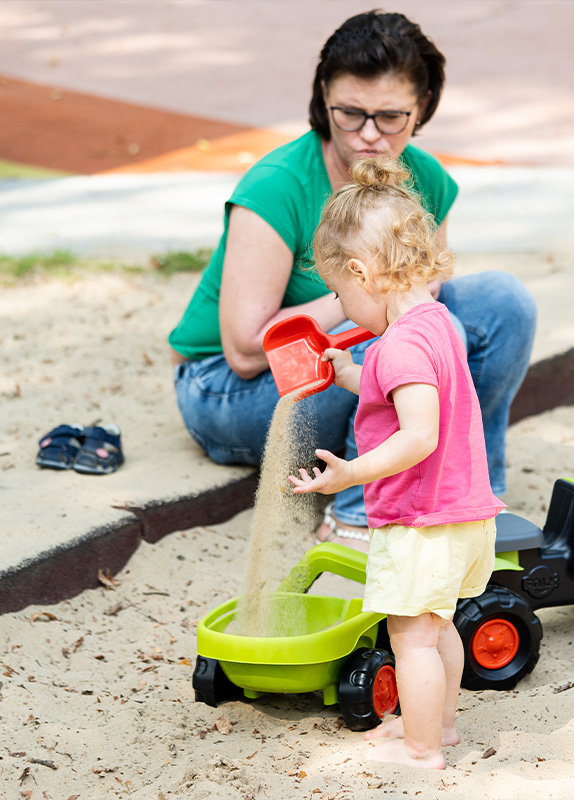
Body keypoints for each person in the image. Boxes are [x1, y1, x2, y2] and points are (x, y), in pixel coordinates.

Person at [168, 10, 536, 545]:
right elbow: (245, 351)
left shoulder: (425, 177)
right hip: (226, 389)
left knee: (503, 304)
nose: (369, 136)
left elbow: (426, 291)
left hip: (347, 359)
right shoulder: (277, 187)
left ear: (423, 107)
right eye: (349, 113)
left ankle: (470, 501)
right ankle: (360, 517)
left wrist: (393, 302)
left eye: (390, 117)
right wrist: (360, 295)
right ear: (324, 98)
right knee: (393, 340)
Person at [289, 156, 503, 769]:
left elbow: (418, 436)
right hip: (464, 516)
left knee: (410, 638)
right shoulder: (435, 324)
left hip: (421, 520)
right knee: (441, 628)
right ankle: (440, 725)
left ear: (361, 272)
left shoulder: (402, 344)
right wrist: (347, 372)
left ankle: (421, 749)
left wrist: (351, 473)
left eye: (338, 291)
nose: (341, 302)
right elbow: (399, 385)